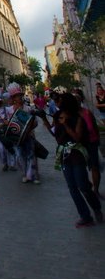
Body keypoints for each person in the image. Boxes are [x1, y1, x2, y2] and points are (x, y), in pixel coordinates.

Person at [44, 92, 102, 227]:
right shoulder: (57, 116)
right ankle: (85, 216)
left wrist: (65, 125)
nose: (57, 102)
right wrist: (45, 120)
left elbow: (77, 137)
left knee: (83, 186)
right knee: (72, 187)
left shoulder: (78, 118)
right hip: (64, 155)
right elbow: (54, 134)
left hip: (77, 155)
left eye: (59, 100)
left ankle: (96, 208)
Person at [6, 83, 40, 184]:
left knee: (31, 155)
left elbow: (35, 123)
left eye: (20, 95)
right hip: (16, 138)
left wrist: (30, 126)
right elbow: (8, 124)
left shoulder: (28, 109)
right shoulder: (9, 110)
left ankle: (34, 175)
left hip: (29, 136)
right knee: (20, 156)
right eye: (17, 96)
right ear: (13, 98)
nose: (20, 97)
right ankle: (25, 174)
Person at [73, 88, 101, 196]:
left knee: (94, 167)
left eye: (78, 100)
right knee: (81, 168)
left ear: (81, 101)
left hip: (91, 142)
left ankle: (96, 190)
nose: (76, 103)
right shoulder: (71, 116)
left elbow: (94, 127)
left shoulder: (87, 113)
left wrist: (97, 140)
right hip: (79, 145)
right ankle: (88, 186)